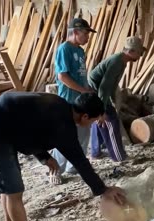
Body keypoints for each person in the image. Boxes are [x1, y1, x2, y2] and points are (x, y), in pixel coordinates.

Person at [0, 92, 126, 221]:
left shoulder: (59, 105)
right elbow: (80, 162)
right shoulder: (63, 124)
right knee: (13, 190)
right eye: (93, 121)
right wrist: (103, 189)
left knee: (9, 187)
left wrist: (44, 157)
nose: (92, 124)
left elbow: (28, 129)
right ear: (85, 116)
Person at [51, 18, 96, 181]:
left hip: (82, 99)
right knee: (65, 136)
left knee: (84, 132)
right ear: (75, 32)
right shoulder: (64, 49)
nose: (88, 37)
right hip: (69, 100)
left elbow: (81, 75)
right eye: (85, 33)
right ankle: (55, 169)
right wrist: (83, 90)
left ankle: (75, 166)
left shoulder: (80, 51)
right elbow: (62, 76)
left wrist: (88, 88)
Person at [88, 36, 146, 161]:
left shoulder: (121, 61)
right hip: (96, 92)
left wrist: (115, 101)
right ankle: (119, 156)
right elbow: (104, 88)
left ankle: (95, 152)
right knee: (111, 120)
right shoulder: (117, 62)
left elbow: (112, 85)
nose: (140, 56)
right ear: (130, 51)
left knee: (98, 120)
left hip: (98, 91)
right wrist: (101, 111)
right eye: (139, 53)